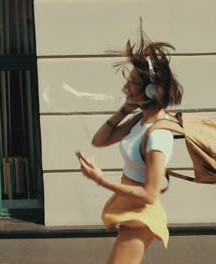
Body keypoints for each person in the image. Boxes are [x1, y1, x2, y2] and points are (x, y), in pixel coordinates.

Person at [76, 28, 183, 264]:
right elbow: (100, 140)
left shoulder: (158, 135)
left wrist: (100, 180)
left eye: (133, 82)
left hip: (142, 213)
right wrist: (126, 108)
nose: (127, 87)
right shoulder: (139, 120)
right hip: (130, 208)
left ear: (151, 90)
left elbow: (150, 193)